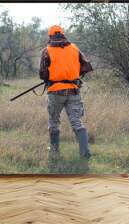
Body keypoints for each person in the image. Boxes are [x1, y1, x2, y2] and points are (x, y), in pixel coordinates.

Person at [39, 25, 93, 159]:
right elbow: (86, 66)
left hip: (55, 91)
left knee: (53, 122)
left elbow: (42, 74)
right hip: (73, 90)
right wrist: (74, 75)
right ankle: (85, 154)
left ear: (50, 36)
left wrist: (51, 77)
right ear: (63, 34)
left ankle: (54, 152)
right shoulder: (75, 48)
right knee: (77, 122)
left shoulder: (47, 50)